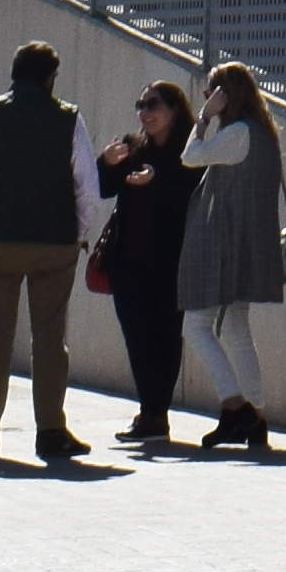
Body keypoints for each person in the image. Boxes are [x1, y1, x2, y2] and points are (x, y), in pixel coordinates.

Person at [0, 38, 90, 465]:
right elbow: (87, 186)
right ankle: (51, 431)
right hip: (54, 243)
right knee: (49, 338)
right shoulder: (68, 118)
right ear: (50, 78)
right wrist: (79, 233)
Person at [183, 59, 286, 455]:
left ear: (225, 95)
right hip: (249, 244)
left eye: (211, 90)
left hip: (226, 244)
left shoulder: (237, 134)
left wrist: (202, 118)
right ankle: (257, 417)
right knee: (235, 329)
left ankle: (236, 408)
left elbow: (190, 156)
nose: (205, 96)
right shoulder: (262, 133)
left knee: (196, 325)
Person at [92, 81, 197, 452]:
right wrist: (106, 163)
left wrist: (157, 181)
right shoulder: (132, 147)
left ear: (173, 109)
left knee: (165, 338)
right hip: (128, 260)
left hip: (170, 261)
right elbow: (103, 188)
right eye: (140, 105)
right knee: (137, 339)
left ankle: (156, 413)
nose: (145, 113)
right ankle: (149, 412)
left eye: (153, 105)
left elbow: (191, 195)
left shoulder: (190, 151)